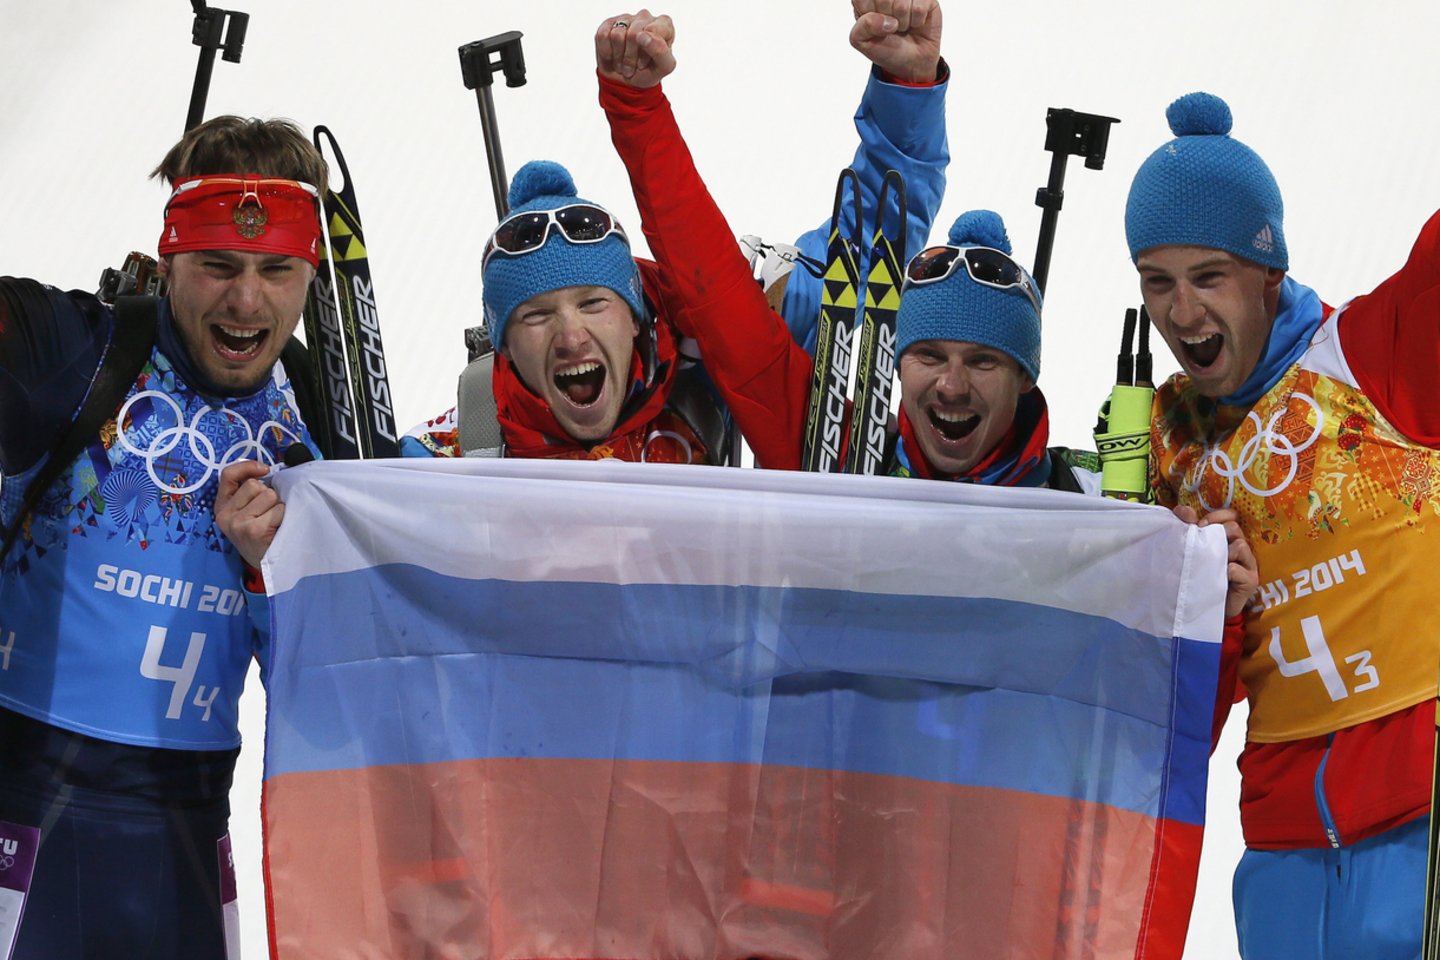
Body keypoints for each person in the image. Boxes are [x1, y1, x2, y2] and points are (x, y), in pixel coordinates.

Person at [0, 116, 325, 959]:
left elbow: (335, 686)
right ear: (168, 257)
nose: (246, 300)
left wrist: (267, 574)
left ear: (310, 274)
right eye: (217, 264)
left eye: (275, 269)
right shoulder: (77, 352)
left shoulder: (320, 421)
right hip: (24, 803)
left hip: (186, 835)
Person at [1128, 90, 1440, 960]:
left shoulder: (1377, 353)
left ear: (1269, 271)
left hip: (1419, 809)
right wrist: (1207, 610)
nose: (1181, 313)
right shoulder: (1165, 437)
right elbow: (1171, 712)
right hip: (1282, 847)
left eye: (1208, 277)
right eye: (1157, 281)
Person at [401, 0, 949, 460]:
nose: (571, 338)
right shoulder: (448, 455)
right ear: (503, 343)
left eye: (593, 303)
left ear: (636, 314)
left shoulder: (701, 346)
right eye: (536, 316)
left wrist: (906, 89)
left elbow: (861, 260)